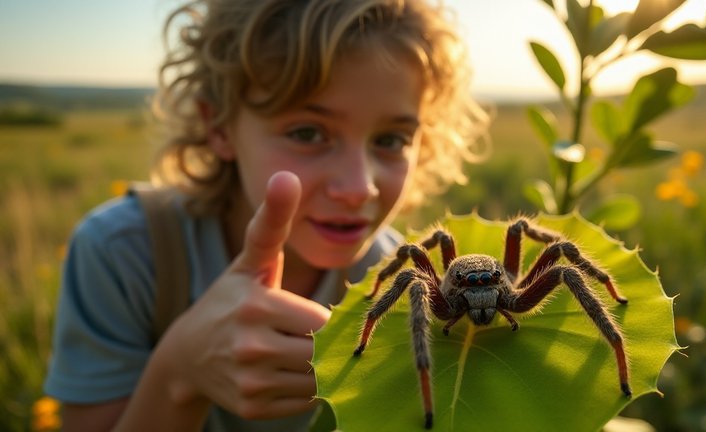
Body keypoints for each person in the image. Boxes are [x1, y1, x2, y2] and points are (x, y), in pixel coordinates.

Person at [44, 0, 489, 430]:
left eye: (391, 140)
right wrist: (180, 374)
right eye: (308, 132)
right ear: (218, 126)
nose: (359, 188)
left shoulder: (399, 278)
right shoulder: (122, 253)